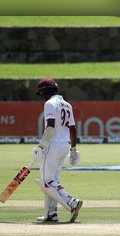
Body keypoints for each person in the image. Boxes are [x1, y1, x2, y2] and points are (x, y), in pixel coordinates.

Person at [33, 78, 83, 223]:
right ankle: (51, 214)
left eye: (41, 94)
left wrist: (41, 146)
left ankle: (72, 202)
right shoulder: (67, 105)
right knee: (52, 181)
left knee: (45, 182)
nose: (41, 97)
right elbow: (72, 128)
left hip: (52, 145)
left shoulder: (49, 103)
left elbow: (50, 128)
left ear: (45, 92)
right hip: (65, 145)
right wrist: (73, 149)